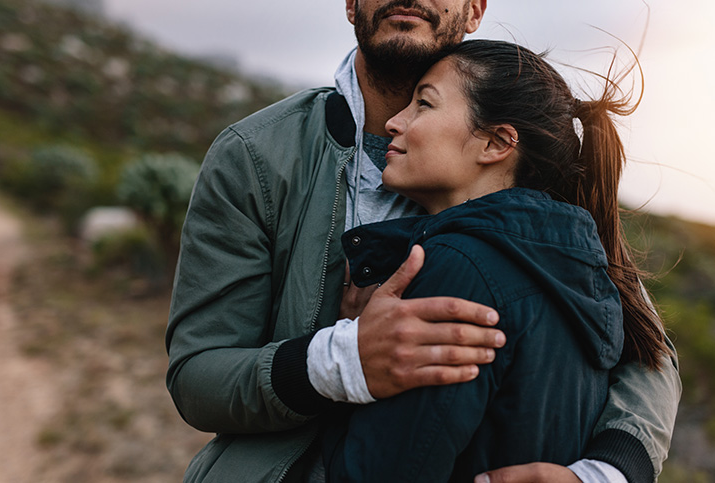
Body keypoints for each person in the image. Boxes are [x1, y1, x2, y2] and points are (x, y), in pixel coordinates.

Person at [165, 1, 681, 482]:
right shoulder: (255, 156)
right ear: (350, 3)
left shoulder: (531, 166)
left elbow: (643, 344)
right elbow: (197, 375)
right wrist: (340, 360)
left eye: (426, 105)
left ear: (475, 8)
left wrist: (607, 473)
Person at [321, 37, 671, 482]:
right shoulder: (578, 268)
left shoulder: (459, 268)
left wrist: (350, 350)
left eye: (424, 105)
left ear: (496, 143)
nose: (394, 122)